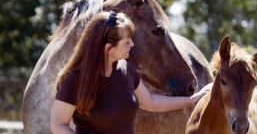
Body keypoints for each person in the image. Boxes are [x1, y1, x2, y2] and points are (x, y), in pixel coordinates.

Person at [50, 11, 209, 134]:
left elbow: (151, 102)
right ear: (108, 48)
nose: (132, 45)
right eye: (126, 42)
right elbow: (58, 124)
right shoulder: (73, 80)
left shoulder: (125, 68)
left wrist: (191, 99)